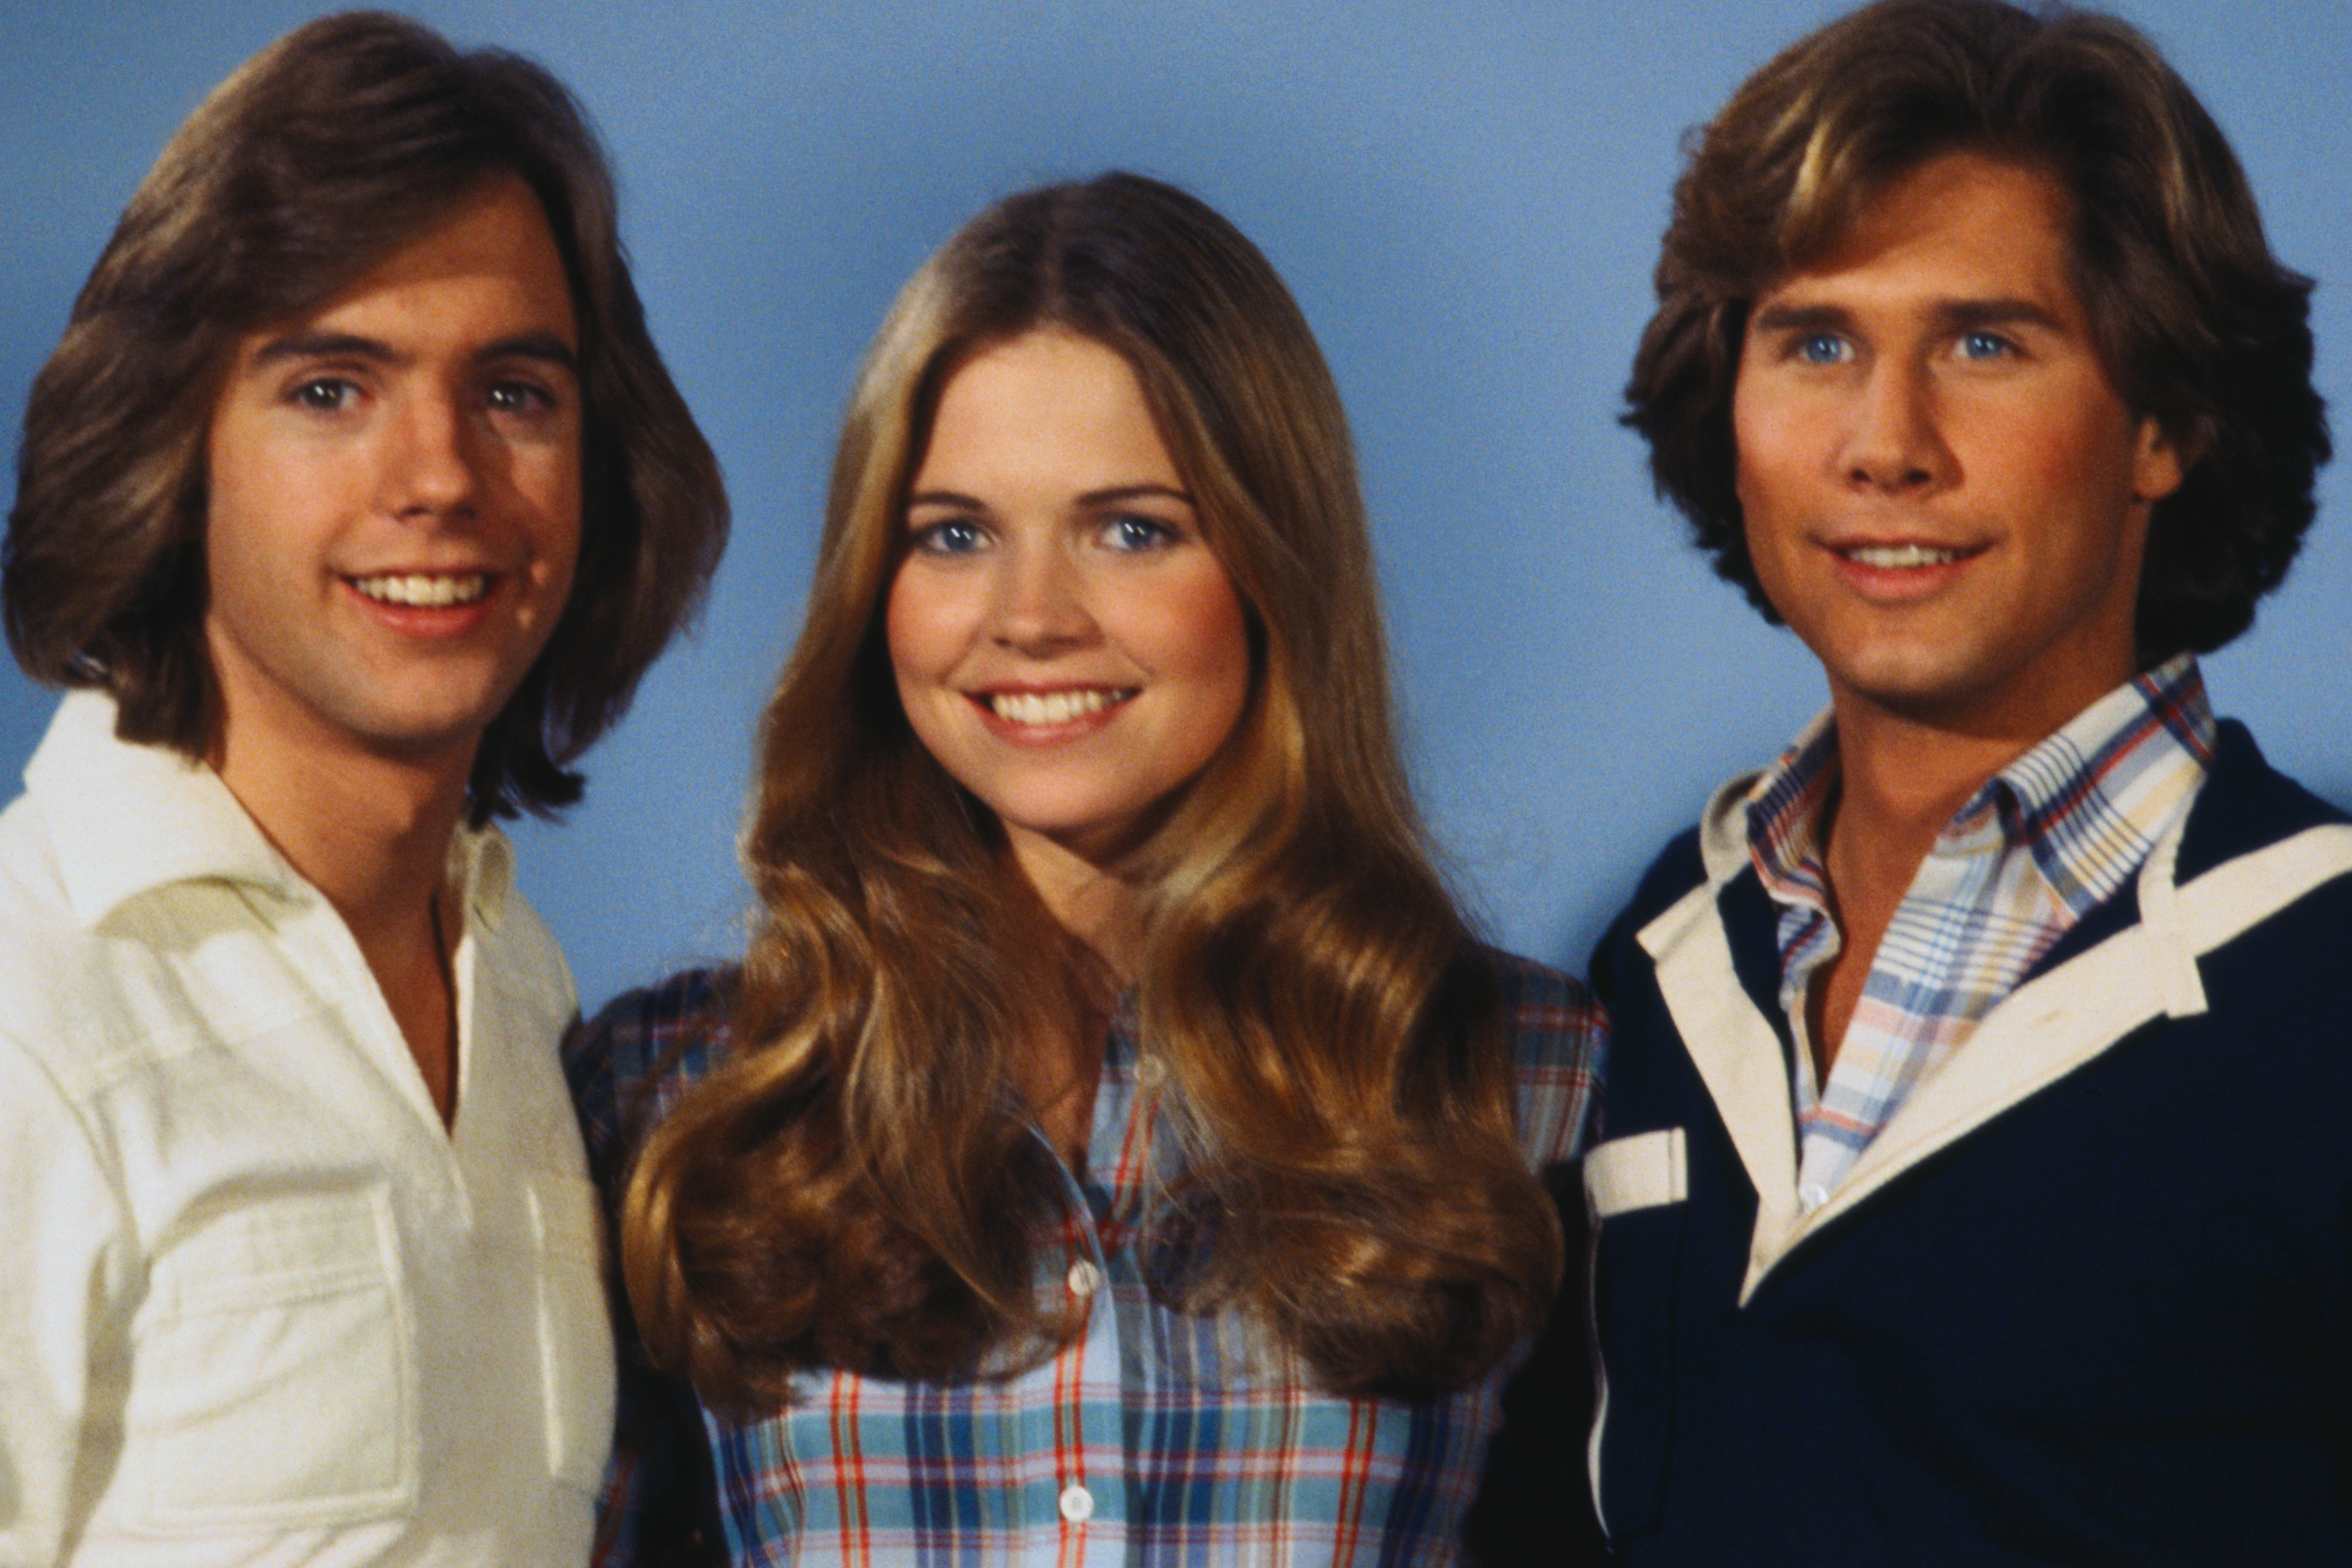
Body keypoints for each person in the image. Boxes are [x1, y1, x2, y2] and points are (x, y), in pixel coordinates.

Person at [1585, 0, 2352, 1561]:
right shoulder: (1660, 966)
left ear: (2166, 423)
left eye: (1985, 343)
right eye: (1813, 342)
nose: (1885, 443)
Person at [0, 11, 728, 1564]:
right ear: (171, 453)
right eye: (331, 390)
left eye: (515, 391)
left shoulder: (516, 997)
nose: (441, 476)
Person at [570, 172, 1602, 1567]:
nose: (1032, 618)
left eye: (1132, 529)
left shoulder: (1526, 1085)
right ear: (874, 586)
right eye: (955, 535)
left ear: (1269, 565)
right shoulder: (681, 1098)